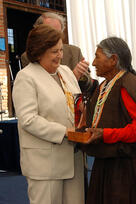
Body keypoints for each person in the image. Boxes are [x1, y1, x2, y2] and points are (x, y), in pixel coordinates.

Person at [79, 37, 136, 204]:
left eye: (97, 56)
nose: (93, 62)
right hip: (112, 163)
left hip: (130, 170)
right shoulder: (105, 85)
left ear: (113, 59)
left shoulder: (127, 85)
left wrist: (105, 134)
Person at [12, 24, 84, 204]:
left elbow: (76, 104)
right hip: (45, 165)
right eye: (54, 51)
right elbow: (28, 119)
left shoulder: (66, 71)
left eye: (61, 50)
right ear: (38, 52)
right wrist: (65, 133)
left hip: (74, 159)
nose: (60, 55)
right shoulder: (26, 77)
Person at [20, 12, 96, 94]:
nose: (60, 55)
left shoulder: (74, 52)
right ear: (38, 32)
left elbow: (89, 85)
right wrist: (72, 77)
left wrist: (81, 77)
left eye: (57, 33)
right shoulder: (29, 56)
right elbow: (41, 89)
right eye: (50, 32)